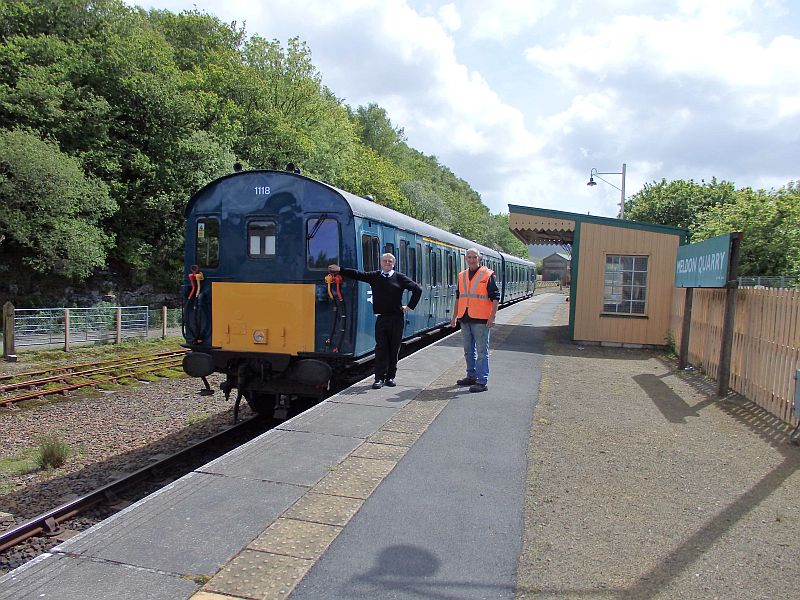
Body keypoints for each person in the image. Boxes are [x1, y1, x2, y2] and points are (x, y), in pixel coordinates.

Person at [329, 253, 422, 389]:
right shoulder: (375, 276)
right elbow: (358, 274)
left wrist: (409, 307)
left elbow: (417, 289)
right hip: (382, 318)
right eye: (385, 261)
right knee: (381, 349)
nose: (387, 263)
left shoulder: (400, 278)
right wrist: (340, 270)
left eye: (390, 261)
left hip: (397, 319)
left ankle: (390, 377)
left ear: (393, 264)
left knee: (394, 349)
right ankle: (379, 378)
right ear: (381, 263)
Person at [449, 248, 500, 393]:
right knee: (468, 350)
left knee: (482, 352)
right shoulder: (461, 276)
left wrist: (492, 317)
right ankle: (471, 376)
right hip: (465, 318)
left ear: (479, 258)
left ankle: (482, 381)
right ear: (465, 258)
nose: (472, 259)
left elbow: (495, 297)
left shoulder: (487, 275)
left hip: (481, 320)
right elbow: (459, 298)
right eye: (469, 257)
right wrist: (454, 317)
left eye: (474, 257)